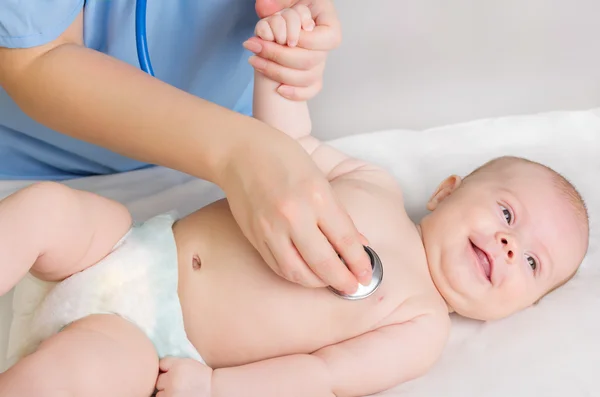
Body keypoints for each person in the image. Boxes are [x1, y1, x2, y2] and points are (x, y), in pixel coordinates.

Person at [0, 6, 590, 397]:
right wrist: (281, 60)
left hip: (153, 337)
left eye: (533, 265)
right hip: (130, 243)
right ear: (447, 191)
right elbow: (290, 143)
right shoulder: (373, 184)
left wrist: (214, 388)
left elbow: (324, 377)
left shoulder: (421, 326)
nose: (510, 246)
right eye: (507, 214)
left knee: (79, 376)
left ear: (521, 308)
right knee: (47, 208)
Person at [0, 0, 374, 297]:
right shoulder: (373, 187)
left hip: (229, 146)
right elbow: (35, 56)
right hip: (45, 163)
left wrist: (298, 21)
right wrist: (239, 152)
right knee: (42, 215)